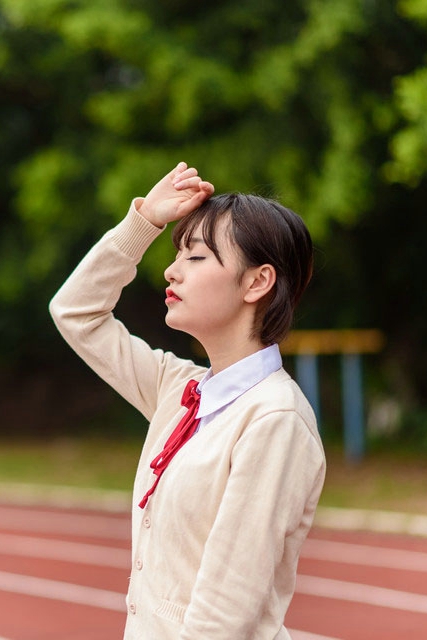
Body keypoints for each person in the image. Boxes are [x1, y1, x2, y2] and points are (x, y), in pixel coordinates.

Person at [49, 161, 326, 639]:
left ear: (257, 282)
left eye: (195, 258)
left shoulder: (274, 419)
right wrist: (144, 223)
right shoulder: (178, 389)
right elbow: (76, 313)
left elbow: (225, 613)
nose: (170, 271)